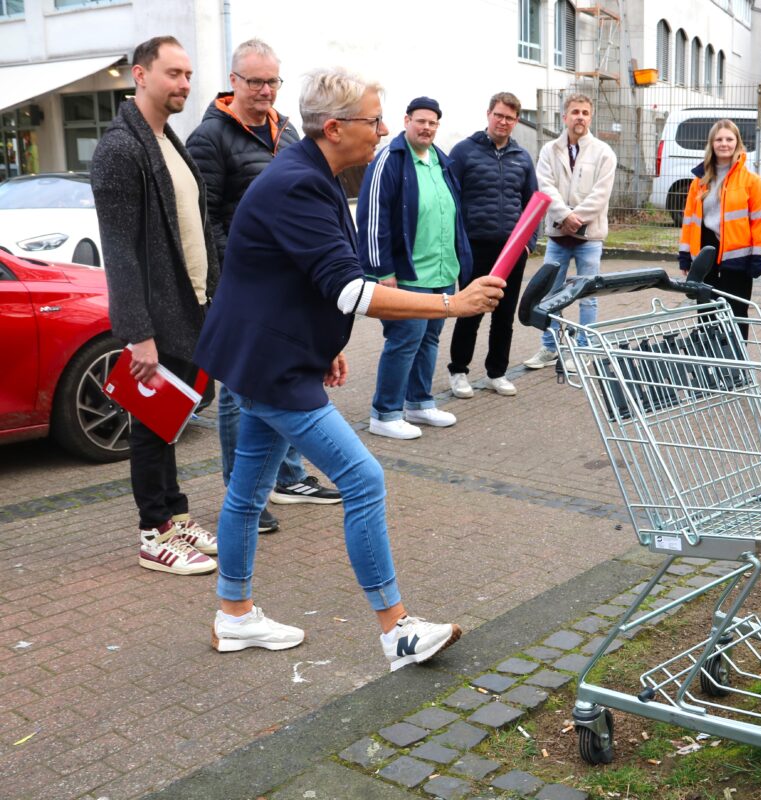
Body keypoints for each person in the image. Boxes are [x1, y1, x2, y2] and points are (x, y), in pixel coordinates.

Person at [193, 68, 505, 666]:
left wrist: (325, 343)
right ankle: (396, 629)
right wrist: (451, 303)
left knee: (247, 493)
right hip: (271, 367)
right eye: (374, 120)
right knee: (363, 480)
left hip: (264, 356)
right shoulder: (300, 183)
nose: (383, 130)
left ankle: (234, 616)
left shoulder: (315, 173)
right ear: (335, 128)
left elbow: (298, 273)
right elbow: (351, 290)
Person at [186, 38, 339, 531]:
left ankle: (288, 476)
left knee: (283, 378)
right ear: (233, 83)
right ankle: (243, 489)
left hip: (284, 290)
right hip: (240, 289)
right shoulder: (210, 138)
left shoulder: (288, 133)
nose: (266, 90)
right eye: (255, 81)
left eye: (273, 81)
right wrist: (232, 274)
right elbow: (201, 217)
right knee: (237, 391)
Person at [89, 36, 219, 576]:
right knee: (150, 422)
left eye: (188, 74)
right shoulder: (121, 148)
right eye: (173, 73)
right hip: (155, 317)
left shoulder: (169, 140)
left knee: (171, 419)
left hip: (188, 307)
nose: (184, 83)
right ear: (140, 75)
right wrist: (136, 331)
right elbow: (118, 248)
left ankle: (173, 516)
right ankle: (152, 533)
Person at [357, 96, 472, 439]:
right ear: (406, 120)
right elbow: (372, 217)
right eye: (420, 120)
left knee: (429, 339)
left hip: (440, 272)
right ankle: (385, 412)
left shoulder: (442, 162)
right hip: (405, 275)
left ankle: (419, 403)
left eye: (432, 122)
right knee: (404, 339)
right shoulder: (389, 161)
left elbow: (453, 214)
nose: (426, 127)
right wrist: (381, 271)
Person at [446, 92, 539, 398]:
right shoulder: (463, 152)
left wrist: (529, 242)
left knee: (504, 314)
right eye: (498, 115)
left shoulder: (522, 158)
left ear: (516, 121)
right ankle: (458, 371)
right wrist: (457, 243)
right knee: (471, 310)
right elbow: (451, 200)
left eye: (509, 117)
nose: (503, 121)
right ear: (488, 114)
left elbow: (532, 204)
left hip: (512, 251)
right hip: (475, 247)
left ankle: (496, 373)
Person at [524, 94, 616, 369]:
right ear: (565, 116)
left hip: (589, 237)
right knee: (552, 295)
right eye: (575, 112)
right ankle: (550, 347)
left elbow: (601, 194)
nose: (580, 117)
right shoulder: (549, 150)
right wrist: (564, 216)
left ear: (591, 117)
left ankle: (585, 349)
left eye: (585, 112)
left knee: (587, 295)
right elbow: (545, 185)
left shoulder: (603, 152)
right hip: (557, 235)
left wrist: (576, 219)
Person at [677, 119, 761, 339]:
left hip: (737, 259)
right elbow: (689, 221)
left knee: (735, 314)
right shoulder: (699, 181)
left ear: (737, 143)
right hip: (705, 255)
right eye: (719, 139)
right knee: (706, 314)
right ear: (711, 144)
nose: (724, 144)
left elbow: (760, 221)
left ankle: (736, 367)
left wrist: (758, 256)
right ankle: (710, 367)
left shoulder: (751, 181)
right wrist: (685, 256)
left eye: (729, 139)